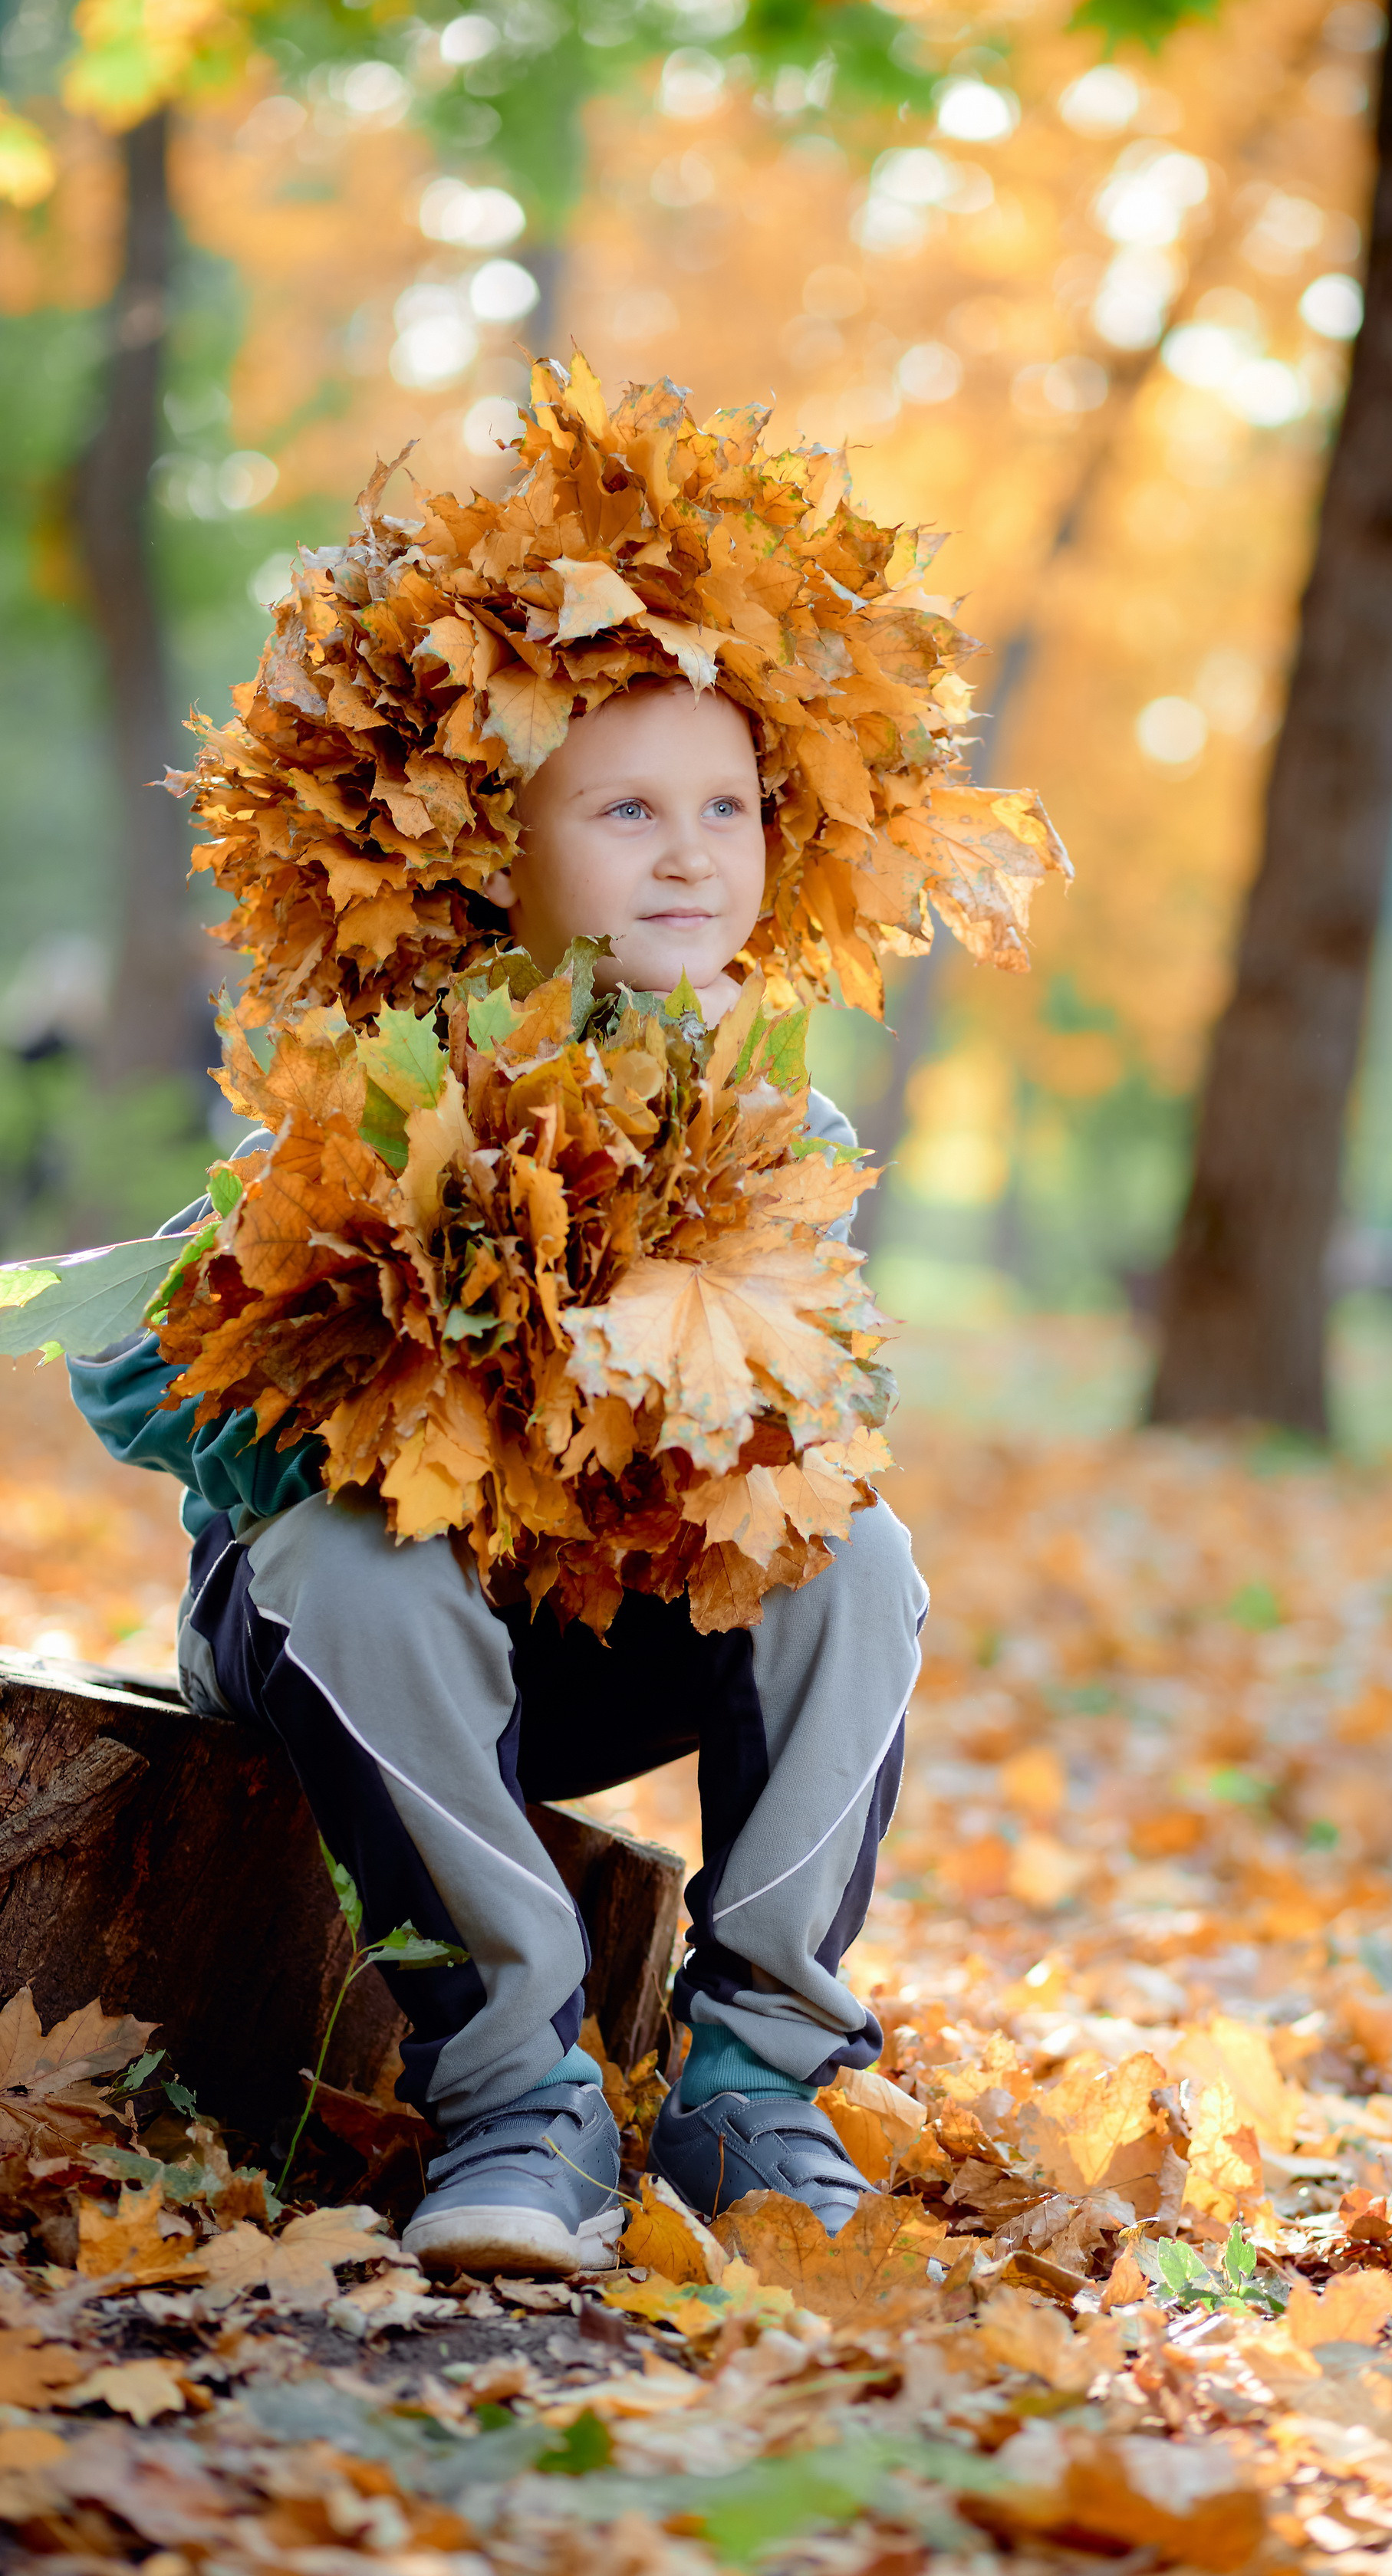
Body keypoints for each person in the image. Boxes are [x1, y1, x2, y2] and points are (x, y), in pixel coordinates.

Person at [67, 672, 929, 2277]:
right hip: (335, 1635)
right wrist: (361, 1405)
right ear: (501, 850)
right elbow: (123, 1365)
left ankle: (754, 2080)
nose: (690, 854)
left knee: (853, 1554)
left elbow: (814, 1399)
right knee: (361, 1560)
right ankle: (515, 2098)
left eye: (725, 809)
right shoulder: (387, 1073)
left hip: (589, 1640)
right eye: (627, 811)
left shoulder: (777, 1119)